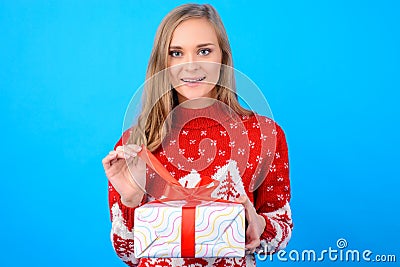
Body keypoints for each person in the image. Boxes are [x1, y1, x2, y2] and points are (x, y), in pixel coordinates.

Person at [102, 3, 292, 267]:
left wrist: (257, 225)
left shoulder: (264, 135)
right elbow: (129, 254)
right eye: (176, 53)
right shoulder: (135, 145)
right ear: (162, 63)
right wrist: (131, 200)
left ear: (223, 57)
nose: (190, 66)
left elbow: (279, 236)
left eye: (204, 51)